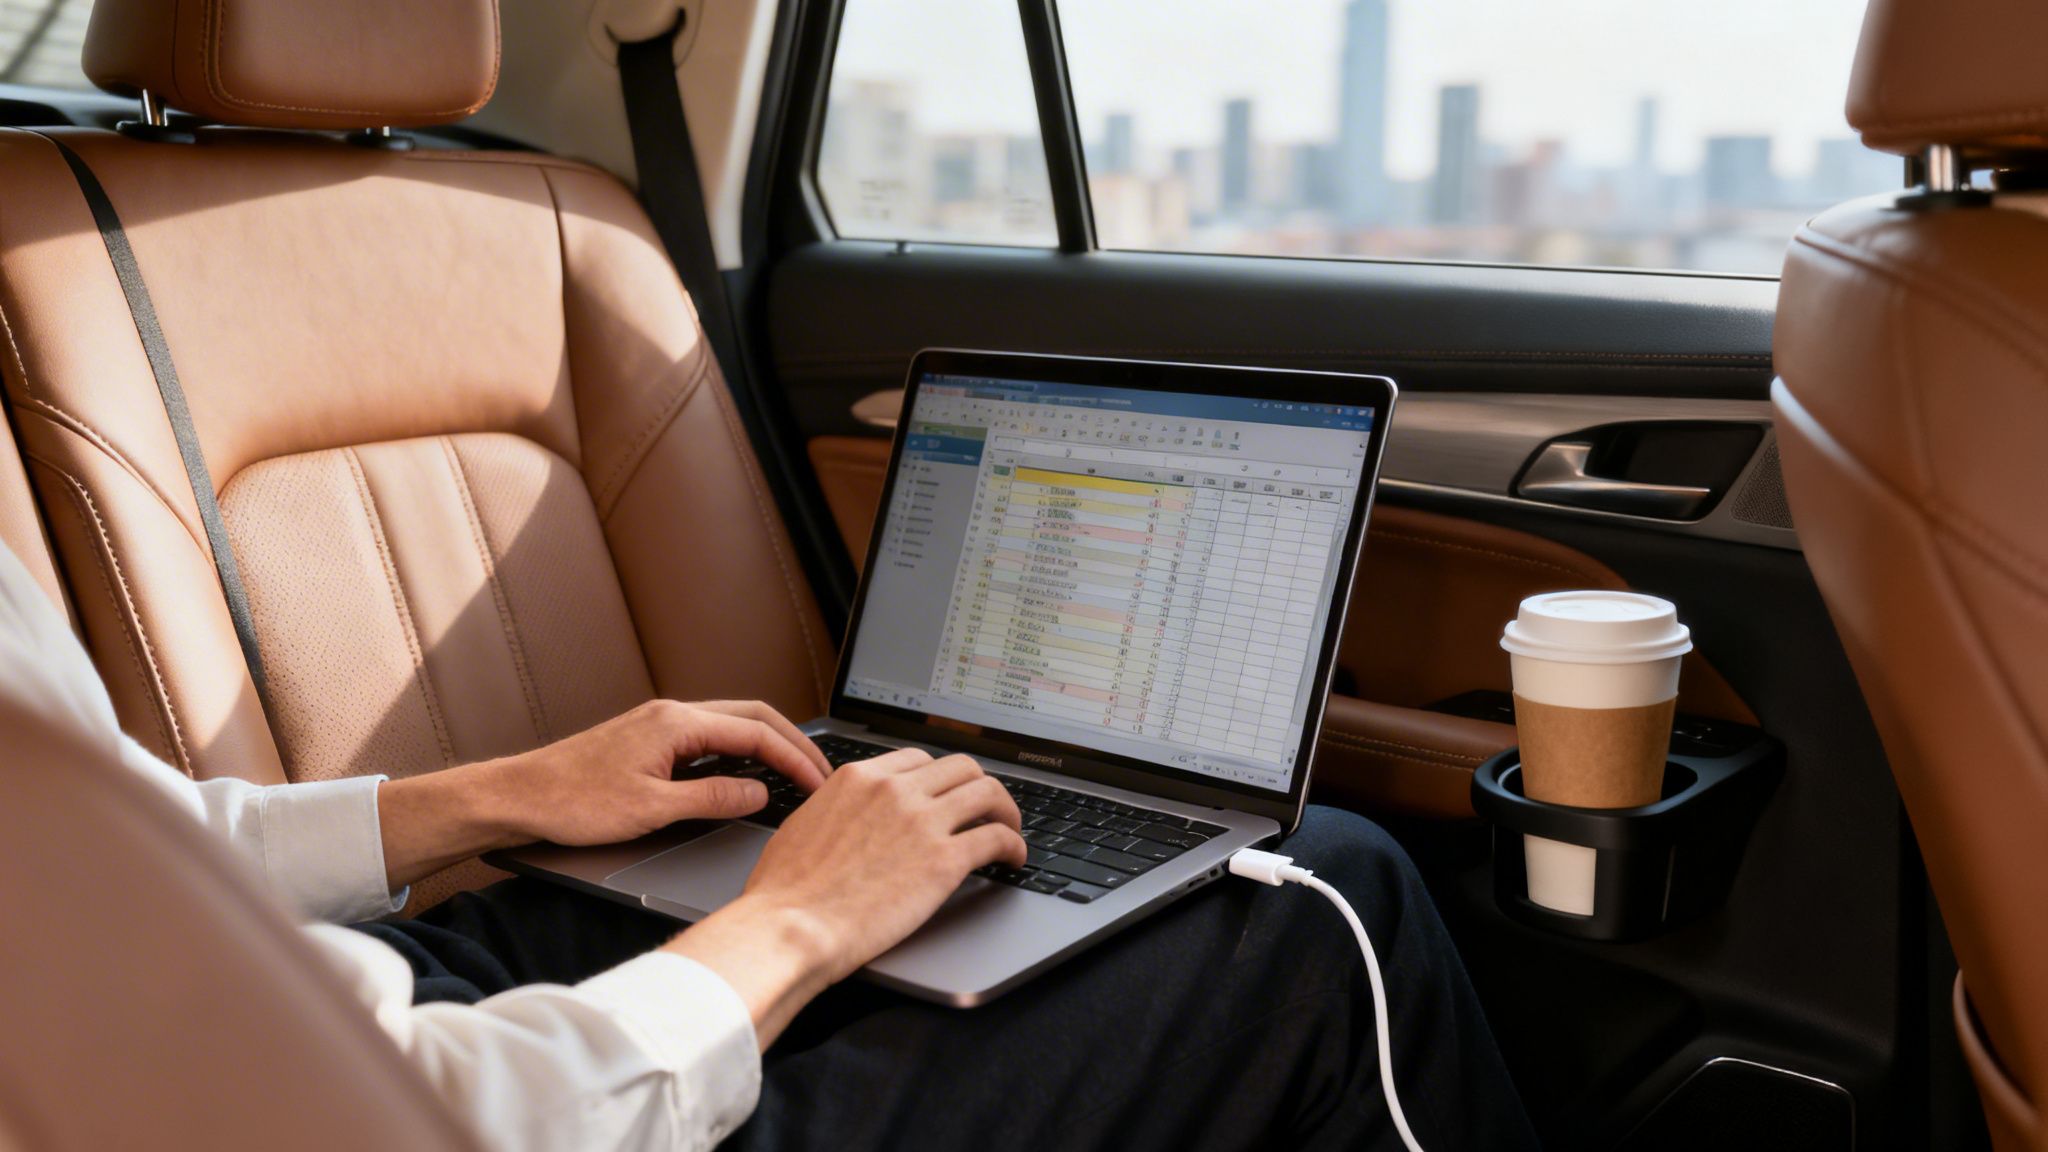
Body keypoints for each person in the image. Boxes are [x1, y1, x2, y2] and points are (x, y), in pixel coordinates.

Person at [0, 539, 1536, 1151]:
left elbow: (106, 865)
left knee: (931, 918)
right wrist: (793, 929)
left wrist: (498, 798)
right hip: (451, 1107)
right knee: (1321, 896)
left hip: (368, 991)